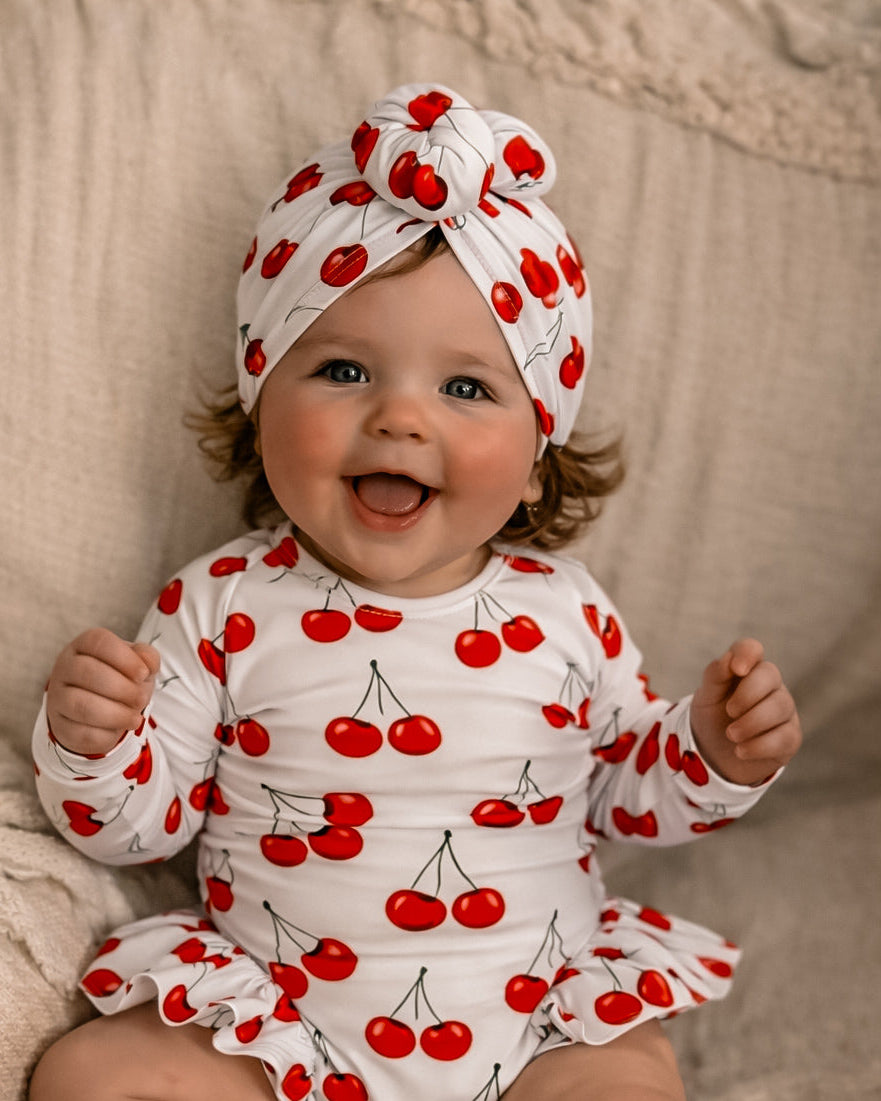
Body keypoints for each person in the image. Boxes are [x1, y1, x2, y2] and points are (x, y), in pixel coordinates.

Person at [28, 83, 801, 1101]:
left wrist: (708, 749)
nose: (399, 417)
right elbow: (141, 830)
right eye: (344, 369)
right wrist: (96, 742)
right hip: (277, 1029)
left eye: (467, 388)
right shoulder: (220, 602)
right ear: (261, 406)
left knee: (625, 1079)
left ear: (536, 459)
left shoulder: (563, 610)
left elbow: (623, 792)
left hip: (536, 1025)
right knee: (96, 1073)